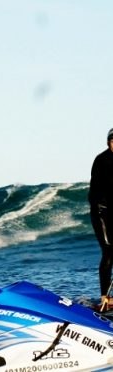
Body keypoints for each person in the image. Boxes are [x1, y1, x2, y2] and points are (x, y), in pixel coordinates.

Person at [89, 127, 113, 310]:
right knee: (108, 250)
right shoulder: (101, 160)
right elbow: (98, 190)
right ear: (108, 142)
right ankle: (105, 296)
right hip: (100, 211)